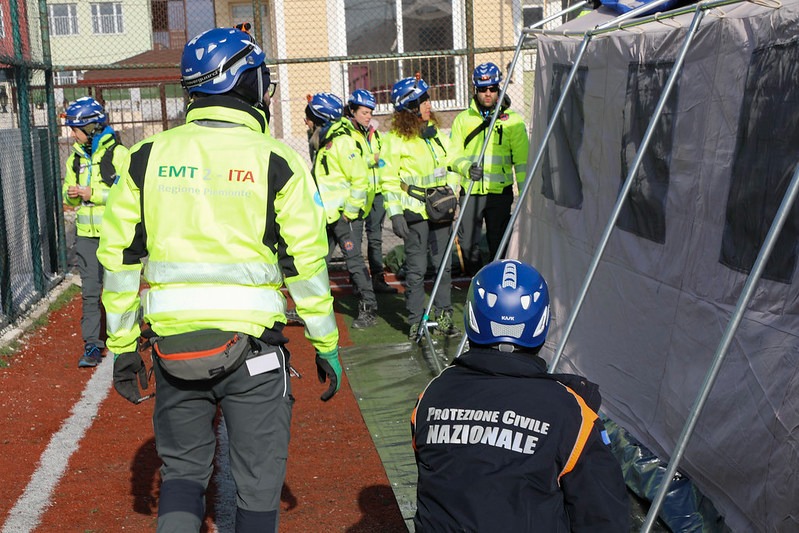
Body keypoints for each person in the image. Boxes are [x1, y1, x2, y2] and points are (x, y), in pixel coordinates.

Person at [97, 27, 342, 533]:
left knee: (183, 475)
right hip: (253, 352)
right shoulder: (278, 159)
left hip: (174, 349)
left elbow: (119, 260)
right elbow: (307, 265)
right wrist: (325, 343)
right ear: (243, 82)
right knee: (257, 487)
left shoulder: (145, 157)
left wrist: (122, 346)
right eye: (260, 78)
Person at [411, 259, 629, 532]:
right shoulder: (569, 412)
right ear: (542, 321)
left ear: (472, 316)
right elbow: (605, 517)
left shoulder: (432, 396)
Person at [382, 75, 460, 339]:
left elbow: (452, 160)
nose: (429, 105)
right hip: (414, 212)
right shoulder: (394, 140)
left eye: (427, 99)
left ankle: (444, 315)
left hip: (440, 210)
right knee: (416, 269)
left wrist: (462, 174)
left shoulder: (434, 134)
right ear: (410, 107)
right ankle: (416, 320)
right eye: (423, 101)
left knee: (443, 266)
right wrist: (395, 214)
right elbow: (388, 179)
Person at [62, 96, 127, 368]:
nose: (73, 136)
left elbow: (127, 194)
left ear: (91, 129)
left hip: (113, 234)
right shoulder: (74, 159)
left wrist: (95, 194)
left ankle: (125, 343)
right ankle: (91, 344)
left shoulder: (119, 155)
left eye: (76, 130)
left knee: (119, 289)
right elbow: (71, 196)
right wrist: (74, 194)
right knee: (90, 291)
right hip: (86, 235)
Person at [448, 62, 529, 275]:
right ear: (475, 90)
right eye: (483, 89)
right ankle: (477, 281)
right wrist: (466, 168)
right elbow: (452, 155)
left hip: (500, 192)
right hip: (471, 190)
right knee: (467, 246)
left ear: (499, 89)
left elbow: (522, 162)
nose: (488, 93)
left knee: (499, 244)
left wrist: (524, 196)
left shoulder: (513, 122)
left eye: (493, 89)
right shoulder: (462, 120)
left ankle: (497, 284)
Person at [306, 92, 378, 329]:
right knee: (317, 260)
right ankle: (309, 307)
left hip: (343, 216)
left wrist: (349, 211)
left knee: (354, 262)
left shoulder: (342, 142)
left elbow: (360, 179)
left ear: (321, 117)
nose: (306, 121)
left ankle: (369, 307)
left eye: (309, 117)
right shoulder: (326, 139)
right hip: (328, 214)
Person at [346, 89, 398, 295]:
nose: (368, 117)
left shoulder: (374, 134)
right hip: (359, 195)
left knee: (375, 238)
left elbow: (384, 156)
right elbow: (351, 162)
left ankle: (377, 279)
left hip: (376, 193)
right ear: (352, 111)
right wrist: (372, 159)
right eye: (364, 112)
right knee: (355, 240)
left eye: (370, 113)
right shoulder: (347, 135)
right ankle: (357, 282)